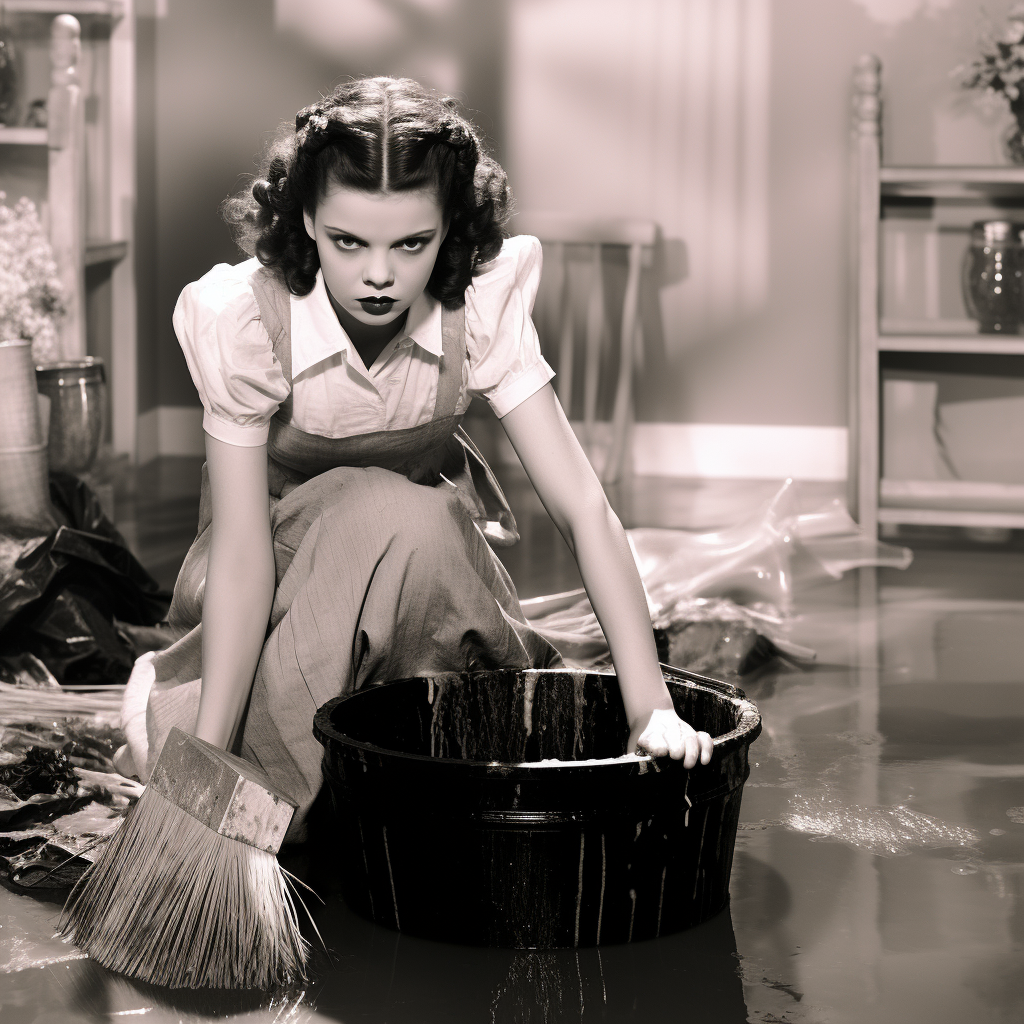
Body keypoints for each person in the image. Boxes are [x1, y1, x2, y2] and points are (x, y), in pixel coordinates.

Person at [116, 77, 712, 840]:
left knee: (419, 527)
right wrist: (209, 750)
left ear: (449, 228)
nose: (378, 275)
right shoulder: (246, 321)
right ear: (305, 219)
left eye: (412, 244)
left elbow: (580, 505)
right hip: (275, 587)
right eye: (348, 241)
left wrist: (649, 706)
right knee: (385, 510)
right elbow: (239, 554)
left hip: (427, 582)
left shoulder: (479, 306)